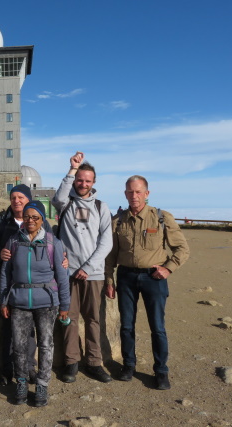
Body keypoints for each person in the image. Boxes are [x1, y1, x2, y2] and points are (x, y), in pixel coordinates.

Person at [105, 175, 190, 390]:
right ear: (125, 194)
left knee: (157, 327)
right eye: (130, 192)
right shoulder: (118, 220)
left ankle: (161, 371)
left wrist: (168, 268)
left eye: (138, 191)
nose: (134, 196)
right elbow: (111, 255)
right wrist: (109, 279)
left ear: (147, 194)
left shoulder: (161, 217)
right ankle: (129, 365)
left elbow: (182, 249)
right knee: (126, 326)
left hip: (154, 278)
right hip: (125, 277)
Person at [51, 151, 113, 383]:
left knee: (94, 319)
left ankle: (95, 363)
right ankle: (71, 362)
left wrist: (88, 267)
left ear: (94, 182)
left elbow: (106, 242)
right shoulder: (65, 203)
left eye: (88, 180)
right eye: (80, 179)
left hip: (93, 273)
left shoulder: (101, 207)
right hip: (67, 272)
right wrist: (72, 169)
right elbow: (57, 199)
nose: (83, 183)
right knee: (69, 318)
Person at [0, 201, 70, 407]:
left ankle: (42, 385)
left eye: (35, 217)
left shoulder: (53, 243)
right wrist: (3, 301)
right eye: (27, 217)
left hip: (47, 302)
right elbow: (5, 274)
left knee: (46, 345)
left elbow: (62, 276)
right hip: (19, 301)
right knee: (20, 346)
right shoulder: (12, 241)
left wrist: (65, 305)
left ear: (42, 220)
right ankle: (21, 382)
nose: (30, 221)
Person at [0, 184, 53, 386]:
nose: (16, 201)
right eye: (13, 197)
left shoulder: (43, 224)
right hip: (10, 287)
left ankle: (29, 367)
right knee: (9, 329)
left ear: (28, 199)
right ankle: (7, 369)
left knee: (29, 330)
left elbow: (52, 249)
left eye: (21, 197)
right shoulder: (0, 224)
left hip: (35, 288)